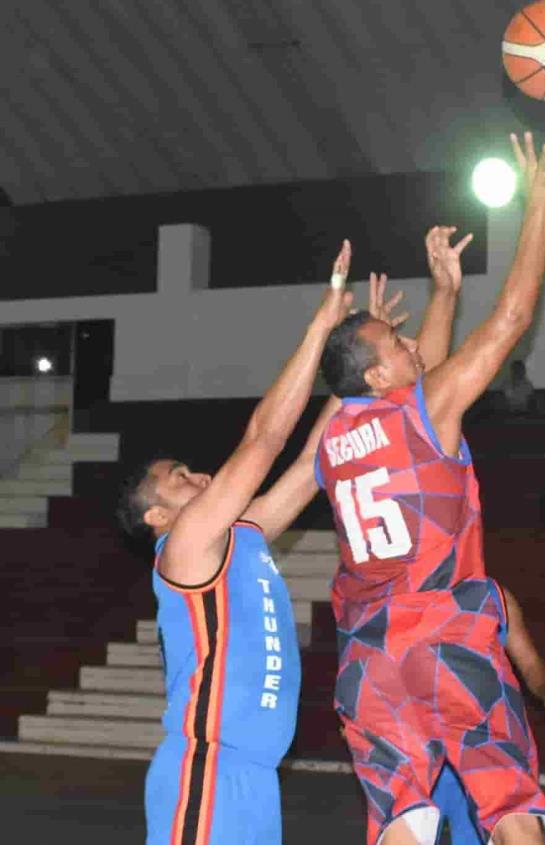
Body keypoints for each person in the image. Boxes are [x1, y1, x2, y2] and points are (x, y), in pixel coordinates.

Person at [315, 133, 545, 845]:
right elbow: (513, 319)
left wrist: (445, 291)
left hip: (367, 657)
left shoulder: (332, 440)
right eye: (394, 343)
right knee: (509, 804)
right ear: (375, 375)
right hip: (443, 636)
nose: (409, 346)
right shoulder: (422, 411)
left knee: (400, 823)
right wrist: (540, 204)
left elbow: (415, 380)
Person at [116, 244, 361, 844]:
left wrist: (353, 375)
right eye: (178, 477)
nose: (196, 476)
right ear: (156, 515)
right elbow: (266, 437)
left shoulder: (239, 537)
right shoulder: (185, 548)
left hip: (256, 777)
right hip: (206, 767)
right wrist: (320, 328)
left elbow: (308, 463)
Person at [433, 580, 545, 845]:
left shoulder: (495, 596)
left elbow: (530, 664)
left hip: (487, 746)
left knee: (516, 832)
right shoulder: (401, 595)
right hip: (426, 750)